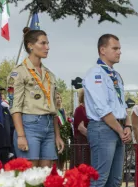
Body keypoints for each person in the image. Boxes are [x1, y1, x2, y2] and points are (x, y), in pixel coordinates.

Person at [83, 34, 138, 187]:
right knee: (99, 179)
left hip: (117, 128)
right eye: (115, 48)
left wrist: (127, 126)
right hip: (103, 128)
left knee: (114, 180)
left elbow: (121, 105)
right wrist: (119, 129)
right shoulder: (95, 74)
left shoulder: (116, 75)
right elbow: (102, 108)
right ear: (102, 50)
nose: (119, 52)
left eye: (119, 48)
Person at [9, 28, 64, 167]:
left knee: (46, 177)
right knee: (30, 177)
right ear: (30, 45)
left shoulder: (49, 74)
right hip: (29, 125)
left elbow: (53, 109)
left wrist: (57, 135)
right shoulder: (19, 72)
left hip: (49, 126)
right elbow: (15, 107)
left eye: (48, 44)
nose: (47, 47)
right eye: (43, 43)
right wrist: (21, 136)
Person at [72, 89, 90, 167]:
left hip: (87, 143)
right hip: (81, 144)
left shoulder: (89, 109)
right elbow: (81, 128)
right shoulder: (79, 109)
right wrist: (93, 136)